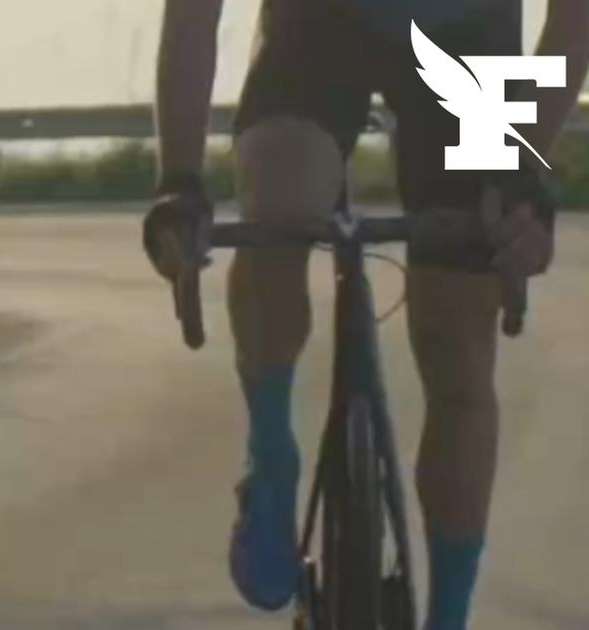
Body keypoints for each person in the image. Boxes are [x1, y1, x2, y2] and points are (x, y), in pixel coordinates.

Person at [146, 0, 588, 628]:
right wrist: (179, 182)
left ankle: (449, 618)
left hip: (466, 35)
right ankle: (271, 454)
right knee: (279, 205)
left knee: (459, 343)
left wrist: (521, 169)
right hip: (317, 26)